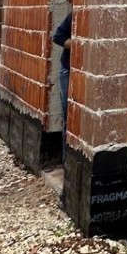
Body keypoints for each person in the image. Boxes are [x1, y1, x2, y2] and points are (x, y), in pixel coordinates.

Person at [52, 11, 71, 158]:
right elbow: (58, 36)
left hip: (83, 73)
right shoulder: (75, 15)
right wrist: (73, 44)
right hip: (68, 70)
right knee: (68, 113)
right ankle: (66, 159)